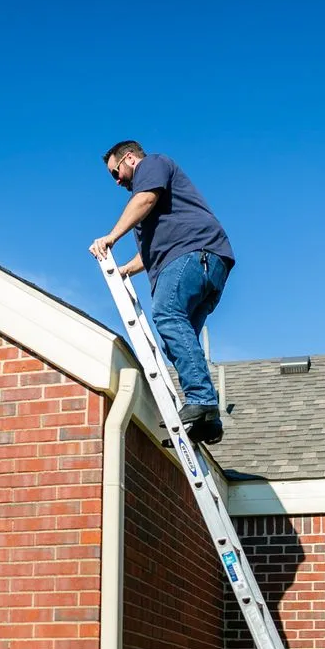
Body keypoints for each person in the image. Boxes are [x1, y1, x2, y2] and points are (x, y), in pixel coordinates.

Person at [90, 141, 234, 444]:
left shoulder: (152, 165)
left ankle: (202, 401)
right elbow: (151, 253)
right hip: (203, 261)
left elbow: (143, 200)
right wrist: (127, 269)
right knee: (177, 340)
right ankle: (209, 422)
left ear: (129, 158)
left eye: (116, 172)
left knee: (167, 315)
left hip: (193, 254)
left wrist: (111, 238)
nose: (117, 181)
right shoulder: (154, 209)